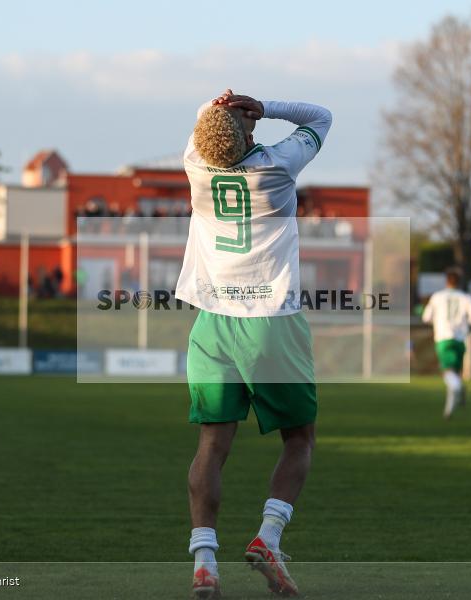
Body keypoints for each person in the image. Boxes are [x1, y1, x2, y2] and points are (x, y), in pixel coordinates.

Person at [176, 88, 331, 599]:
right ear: (246, 134)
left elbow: (205, 120)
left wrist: (222, 110)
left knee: (212, 446)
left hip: (212, 323)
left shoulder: (196, 165)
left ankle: (204, 563)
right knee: (299, 439)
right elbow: (320, 116)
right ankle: (268, 537)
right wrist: (265, 106)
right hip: (270, 320)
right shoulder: (278, 167)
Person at [421, 267, 471, 419]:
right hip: (460, 339)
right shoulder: (465, 297)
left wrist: (436, 322)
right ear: (459, 282)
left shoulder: (437, 297)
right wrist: (467, 325)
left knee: (447, 372)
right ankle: (449, 410)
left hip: (443, 338)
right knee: (454, 372)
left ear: (446, 281)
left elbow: (426, 317)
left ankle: (459, 387)